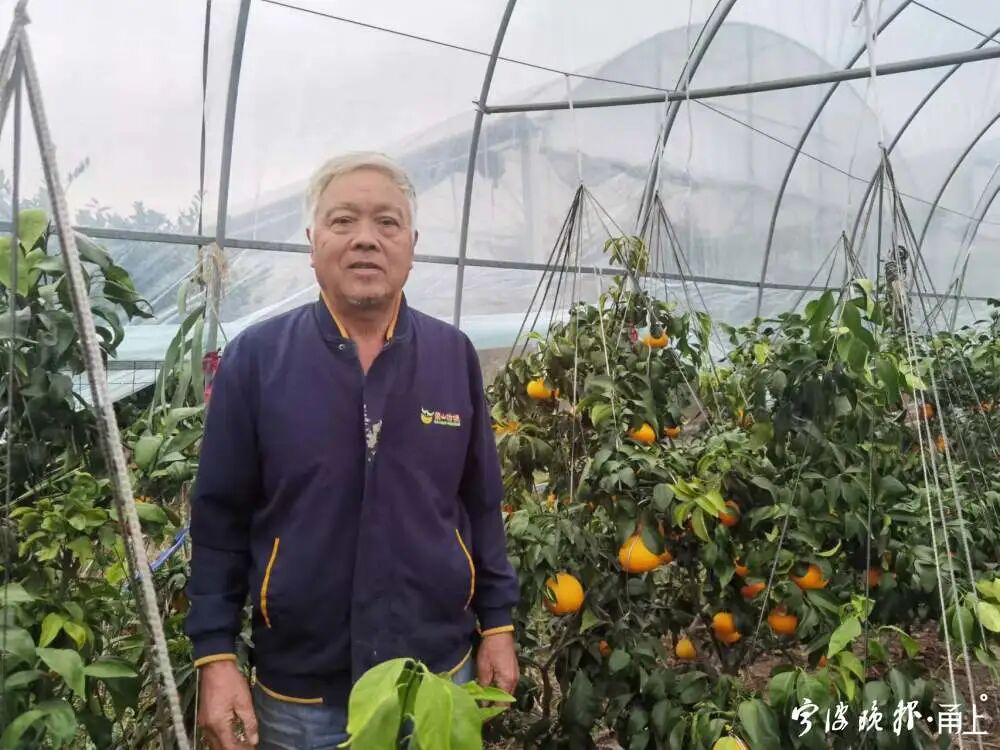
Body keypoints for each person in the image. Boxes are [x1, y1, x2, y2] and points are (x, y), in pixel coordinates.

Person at [185, 152, 520, 749]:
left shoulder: (451, 356)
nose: (366, 238)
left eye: (387, 222)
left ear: (412, 245)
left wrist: (497, 625)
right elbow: (219, 520)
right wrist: (215, 655)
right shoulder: (258, 360)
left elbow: (481, 503)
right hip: (303, 697)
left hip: (436, 680)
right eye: (343, 221)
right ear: (312, 242)